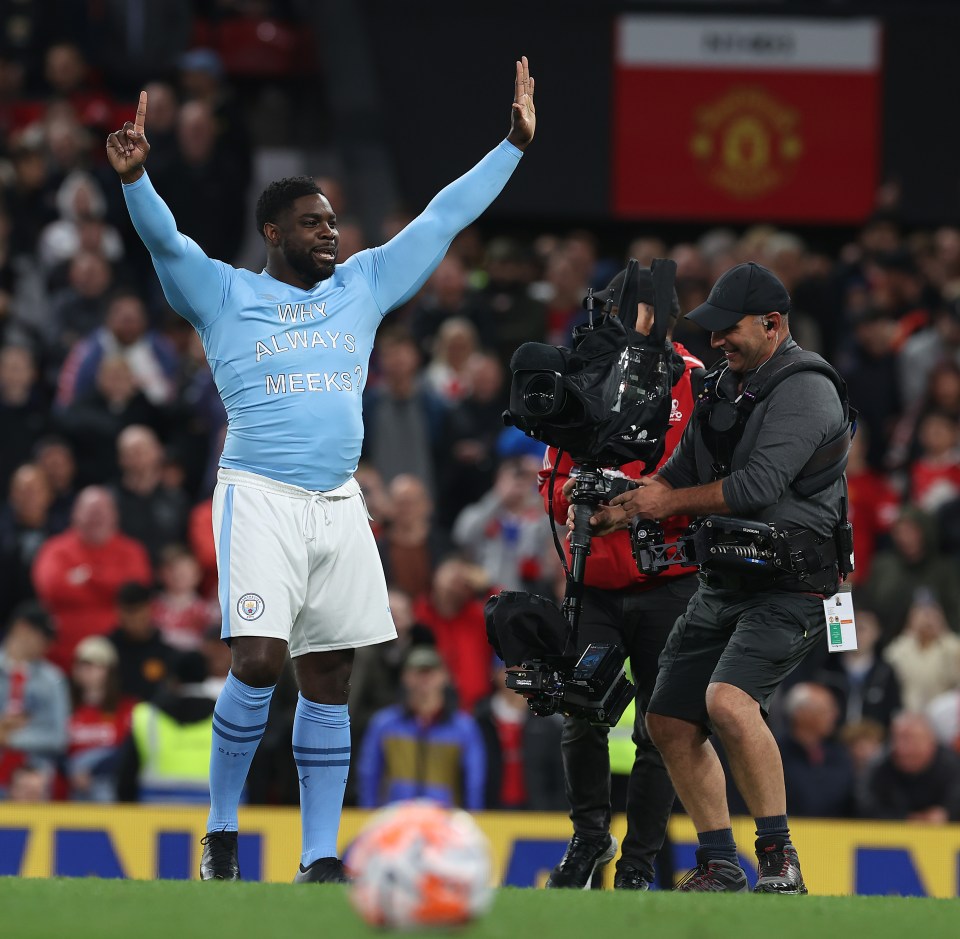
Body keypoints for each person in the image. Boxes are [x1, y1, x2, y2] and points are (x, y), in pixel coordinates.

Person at [105, 58, 535, 883]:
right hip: (259, 493)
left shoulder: (364, 285)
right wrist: (136, 179)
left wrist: (512, 145)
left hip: (340, 500)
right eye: (312, 223)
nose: (331, 232)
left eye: (333, 220)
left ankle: (318, 855)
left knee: (329, 673)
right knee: (260, 659)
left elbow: (443, 219)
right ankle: (221, 835)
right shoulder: (221, 293)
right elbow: (165, 239)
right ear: (273, 232)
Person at [592, 262, 853, 893]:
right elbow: (679, 472)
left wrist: (665, 505)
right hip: (725, 581)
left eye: (728, 330)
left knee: (728, 703)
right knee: (668, 721)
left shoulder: (807, 386)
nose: (716, 343)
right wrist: (617, 507)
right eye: (711, 332)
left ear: (773, 324)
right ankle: (718, 864)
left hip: (791, 586)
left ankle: (780, 859)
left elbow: (758, 487)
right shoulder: (726, 387)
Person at [539, 265, 703, 891]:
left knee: (662, 726)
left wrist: (629, 502)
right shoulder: (580, 374)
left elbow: (707, 482)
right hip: (598, 580)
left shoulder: (696, 383)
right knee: (583, 712)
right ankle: (588, 841)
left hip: (672, 578)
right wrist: (581, 505)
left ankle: (637, 864)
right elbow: (553, 483)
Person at [355, 645, 486, 810]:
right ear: (405, 677)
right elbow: (368, 776)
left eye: (431, 672)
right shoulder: (384, 724)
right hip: (395, 820)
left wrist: (473, 819)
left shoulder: (464, 728)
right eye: (418, 672)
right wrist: (368, 815)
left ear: (445, 677)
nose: (425, 679)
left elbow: (474, 783)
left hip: (445, 822)